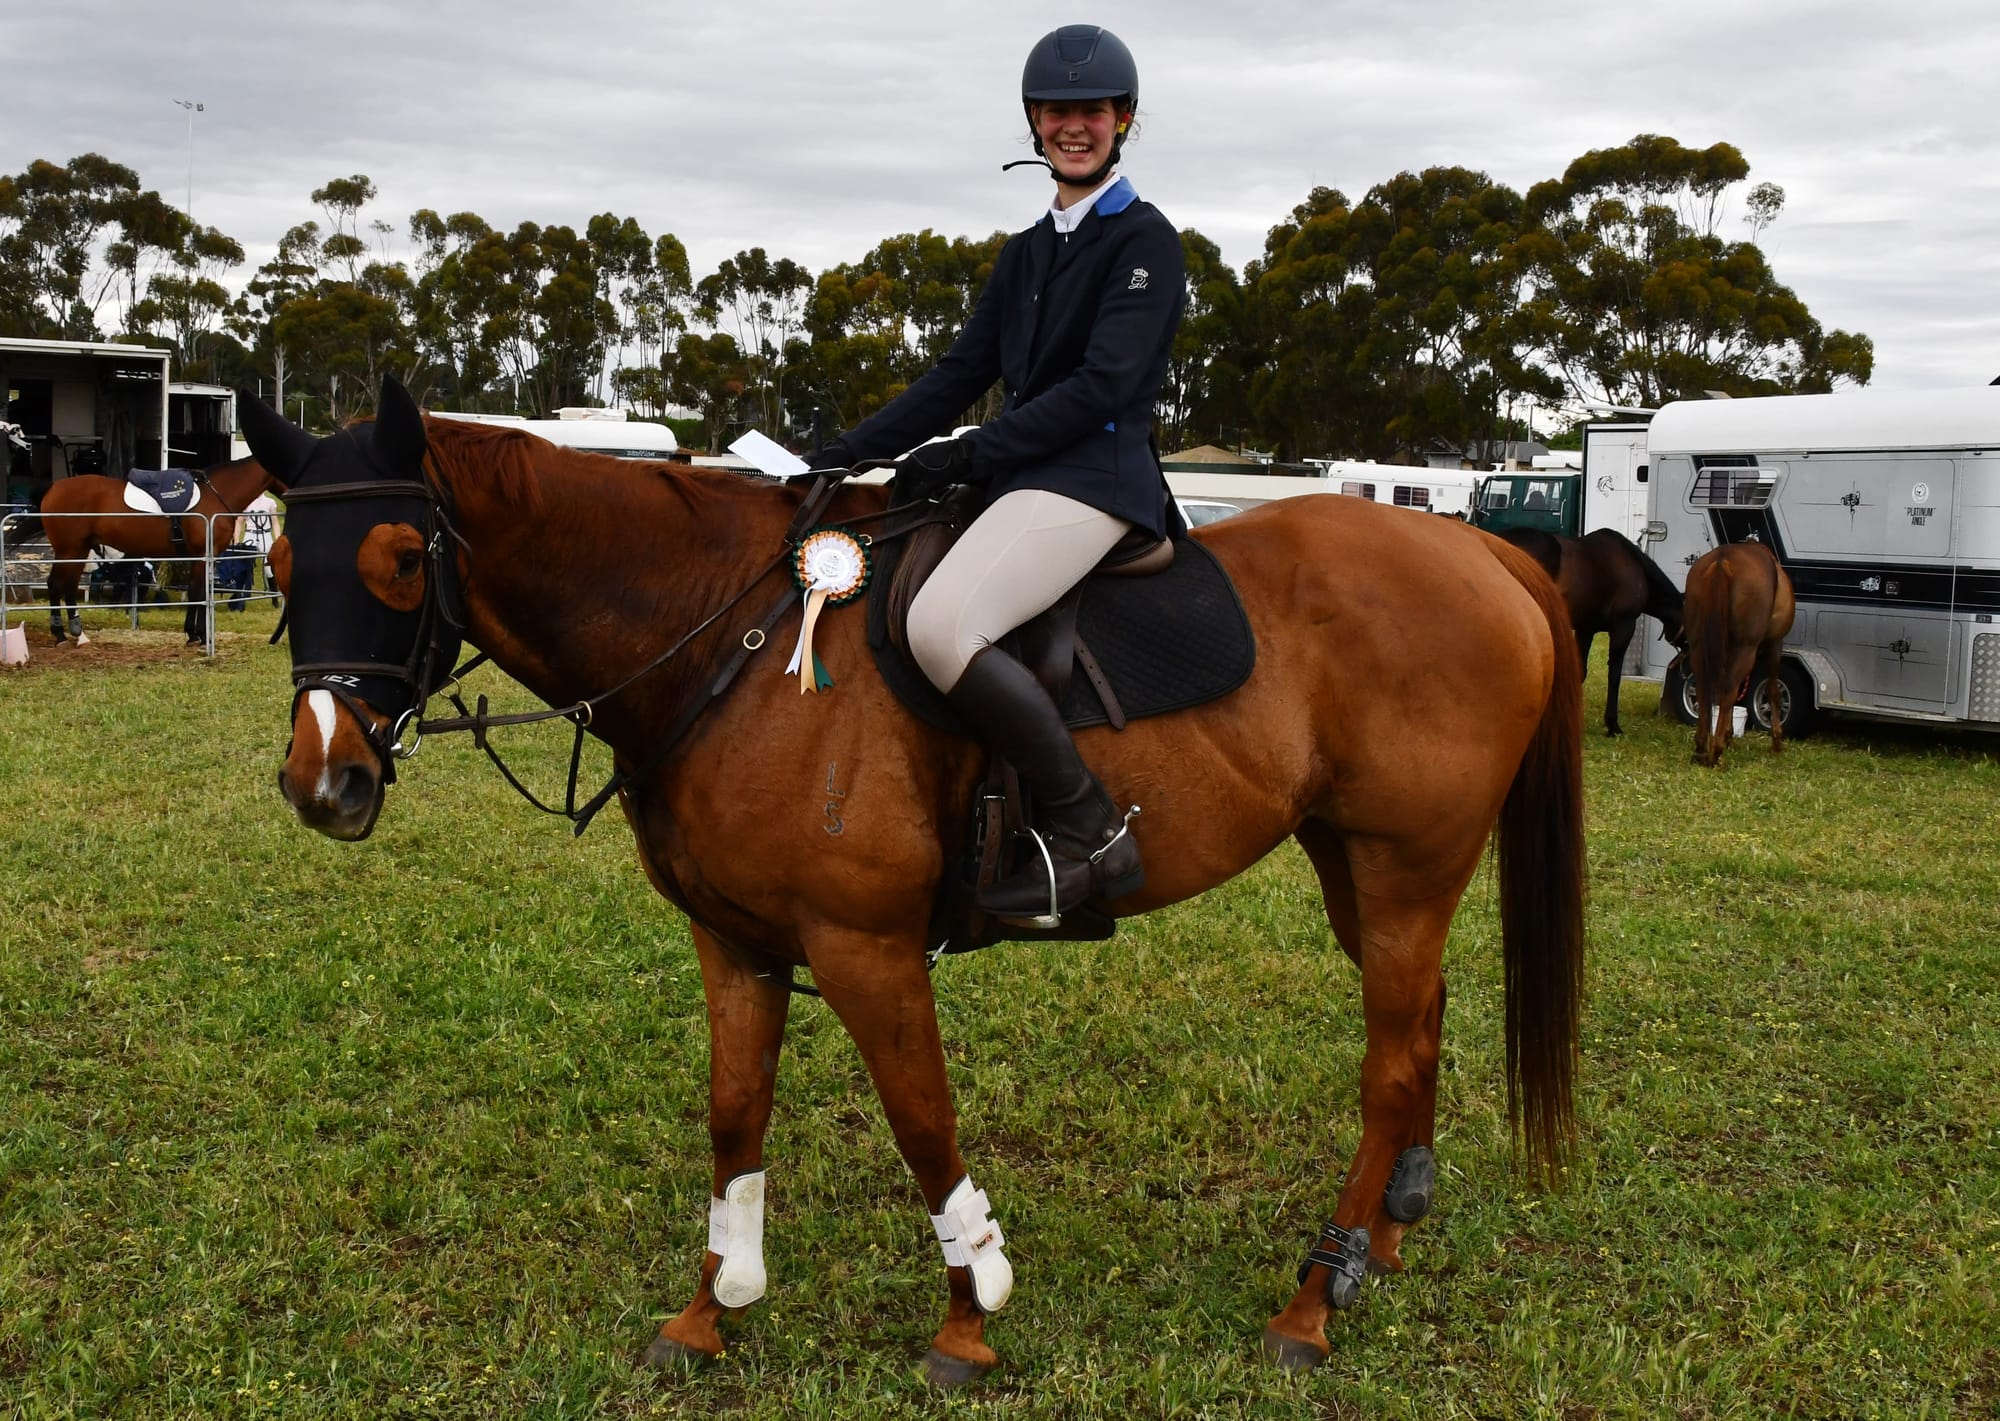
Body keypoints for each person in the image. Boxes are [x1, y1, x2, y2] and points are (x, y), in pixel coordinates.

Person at [809, 24, 1186, 923]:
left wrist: (974, 451)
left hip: (1096, 481)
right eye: (1058, 111)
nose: (1074, 127)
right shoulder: (1024, 253)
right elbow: (957, 376)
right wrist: (849, 447)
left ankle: (1093, 831)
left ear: (1123, 120)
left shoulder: (1145, 243)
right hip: (1020, 480)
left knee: (941, 625)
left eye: (1092, 112)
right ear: (1034, 121)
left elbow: (1104, 388)